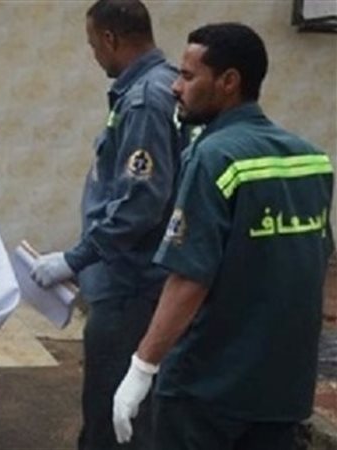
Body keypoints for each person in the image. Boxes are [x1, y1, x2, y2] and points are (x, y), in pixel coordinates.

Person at [111, 23, 334, 450]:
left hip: (208, 391)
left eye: (188, 76)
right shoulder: (311, 160)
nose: (175, 87)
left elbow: (188, 277)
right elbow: (314, 258)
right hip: (283, 390)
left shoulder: (214, 157)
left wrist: (142, 368)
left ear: (228, 81)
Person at [30, 0, 184, 448]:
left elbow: (141, 202)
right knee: (125, 409)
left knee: (112, 412)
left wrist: (76, 258)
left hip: (130, 285)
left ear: (110, 39)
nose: (94, 55)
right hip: (130, 279)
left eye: (93, 44)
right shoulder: (158, 86)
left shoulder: (145, 100)